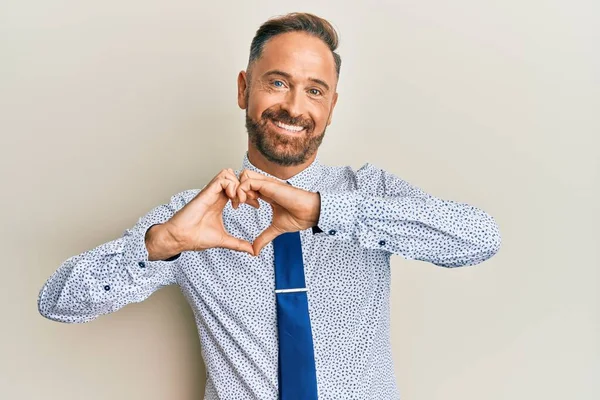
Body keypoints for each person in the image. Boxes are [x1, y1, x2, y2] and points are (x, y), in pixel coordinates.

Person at [38, 12, 502, 400]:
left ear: (332, 106)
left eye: (315, 90)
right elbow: (59, 302)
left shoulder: (368, 193)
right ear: (244, 89)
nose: (294, 106)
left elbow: (480, 238)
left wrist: (326, 211)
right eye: (277, 82)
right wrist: (160, 244)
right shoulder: (195, 216)